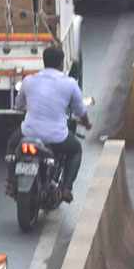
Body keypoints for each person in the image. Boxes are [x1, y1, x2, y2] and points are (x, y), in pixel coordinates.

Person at [9, 45, 90, 200]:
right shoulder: (70, 83)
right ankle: (66, 188)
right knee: (76, 150)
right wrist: (87, 124)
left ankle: (11, 184)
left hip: (29, 132)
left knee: (12, 145)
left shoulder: (29, 80)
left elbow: (18, 105)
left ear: (44, 62)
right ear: (61, 64)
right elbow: (81, 112)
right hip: (56, 137)